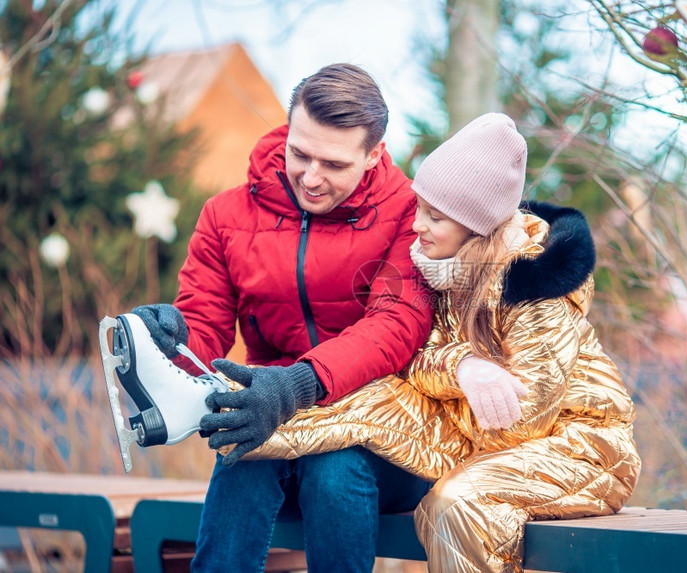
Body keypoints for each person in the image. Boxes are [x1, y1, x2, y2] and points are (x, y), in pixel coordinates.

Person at [222, 112, 641, 572]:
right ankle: (249, 428)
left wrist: (449, 385)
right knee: (324, 423)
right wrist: (463, 366)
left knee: (455, 504)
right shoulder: (438, 270)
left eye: (435, 216)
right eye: (419, 207)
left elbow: (523, 418)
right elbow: (411, 359)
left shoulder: (532, 290)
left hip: (582, 446)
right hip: (482, 436)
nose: (417, 225)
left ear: (475, 225)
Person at [128, 63, 436, 573]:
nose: (310, 178)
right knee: (247, 454)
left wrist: (298, 383)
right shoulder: (225, 217)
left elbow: (395, 324)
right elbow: (204, 324)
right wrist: (173, 338)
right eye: (299, 153)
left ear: (374, 154)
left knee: (333, 467)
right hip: (271, 422)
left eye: (334, 164)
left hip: (386, 437)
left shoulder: (412, 215)